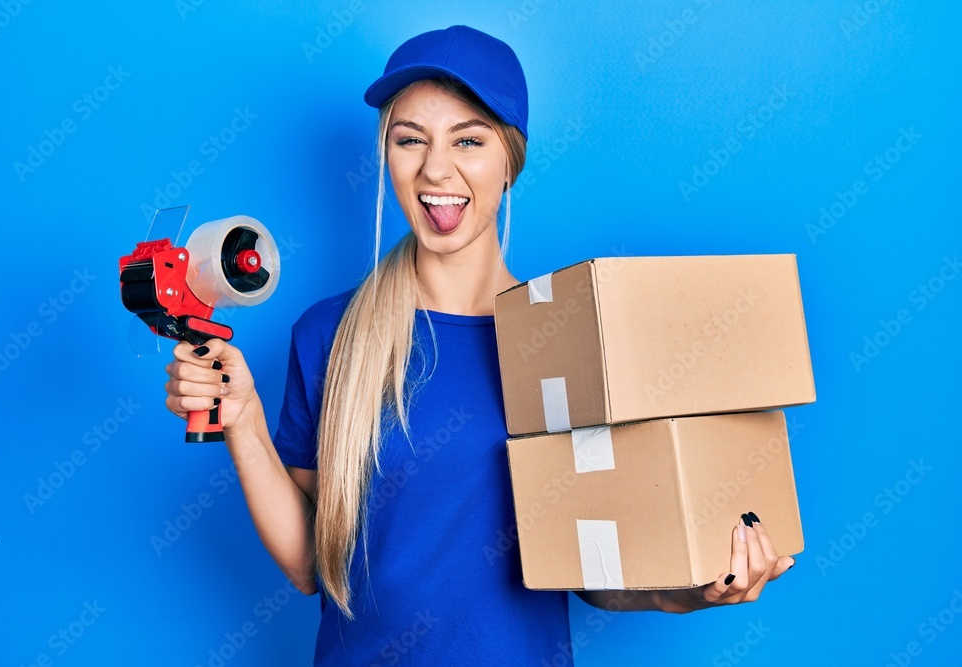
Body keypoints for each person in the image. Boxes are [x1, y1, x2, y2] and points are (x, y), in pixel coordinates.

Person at [164, 24, 795, 665]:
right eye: (410, 140)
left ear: (509, 161)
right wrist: (242, 423)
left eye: (468, 139)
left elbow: (593, 570)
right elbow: (310, 565)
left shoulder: (571, 342)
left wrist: (688, 590)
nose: (436, 168)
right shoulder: (330, 335)